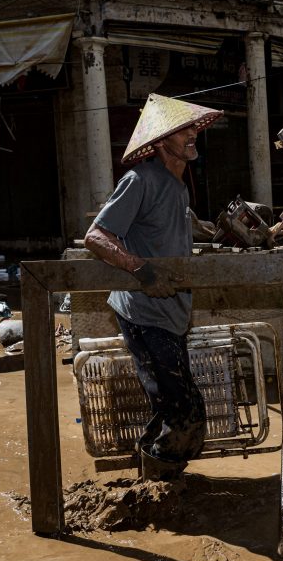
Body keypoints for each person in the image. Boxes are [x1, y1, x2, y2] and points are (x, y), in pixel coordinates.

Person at [83, 93, 223, 480]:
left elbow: (167, 231)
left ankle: (154, 479)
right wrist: (141, 271)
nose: (193, 134)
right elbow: (96, 236)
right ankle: (159, 486)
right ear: (161, 141)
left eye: (193, 127)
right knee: (185, 410)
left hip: (173, 312)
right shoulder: (140, 179)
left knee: (173, 406)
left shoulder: (178, 187)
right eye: (183, 130)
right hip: (144, 311)